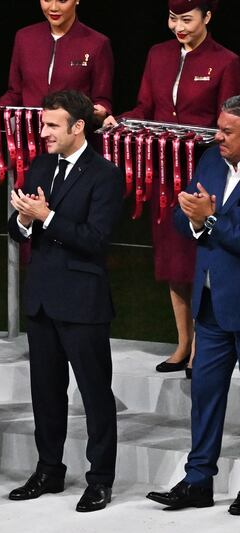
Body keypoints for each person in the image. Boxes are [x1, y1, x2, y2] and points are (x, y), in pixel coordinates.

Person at [103, 0, 240, 377]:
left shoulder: (225, 61)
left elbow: (226, 122)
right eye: (172, 18)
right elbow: (146, 106)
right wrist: (123, 120)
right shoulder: (158, 55)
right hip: (162, 170)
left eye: (187, 19)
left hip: (204, 171)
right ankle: (182, 343)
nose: (178, 27)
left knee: (199, 257)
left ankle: (203, 347)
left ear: (208, 17)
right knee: (172, 259)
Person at [7, 90, 123, 512]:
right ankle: (48, 471)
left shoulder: (105, 175)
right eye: (43, 124)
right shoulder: (41, 165)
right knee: (46, 392)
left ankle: (100, 479)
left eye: (52, 125)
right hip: (41, 300)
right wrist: (22, 218)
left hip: (83, 302)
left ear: (78, 127)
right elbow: (16, 227)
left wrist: (47, 218)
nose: (43, 132)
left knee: (95, 393)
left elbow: (95, 240)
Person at [146, 95, 240, 517]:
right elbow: (180, 216)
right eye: (219, 128)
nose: (217, 136)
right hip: (212, 305)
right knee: (204, 395)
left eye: (227, 131)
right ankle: (198, 481)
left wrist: (212, 221)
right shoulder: (211, 160)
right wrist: (200, 220)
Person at [0, 0, 114, 123]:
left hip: (71, 138)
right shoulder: (24, 37)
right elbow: (15, 93)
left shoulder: (97, 43)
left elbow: (101, 100)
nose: (53, 7)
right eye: (47, 0)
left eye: (62, 0)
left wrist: (101, 112)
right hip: (27, 137)